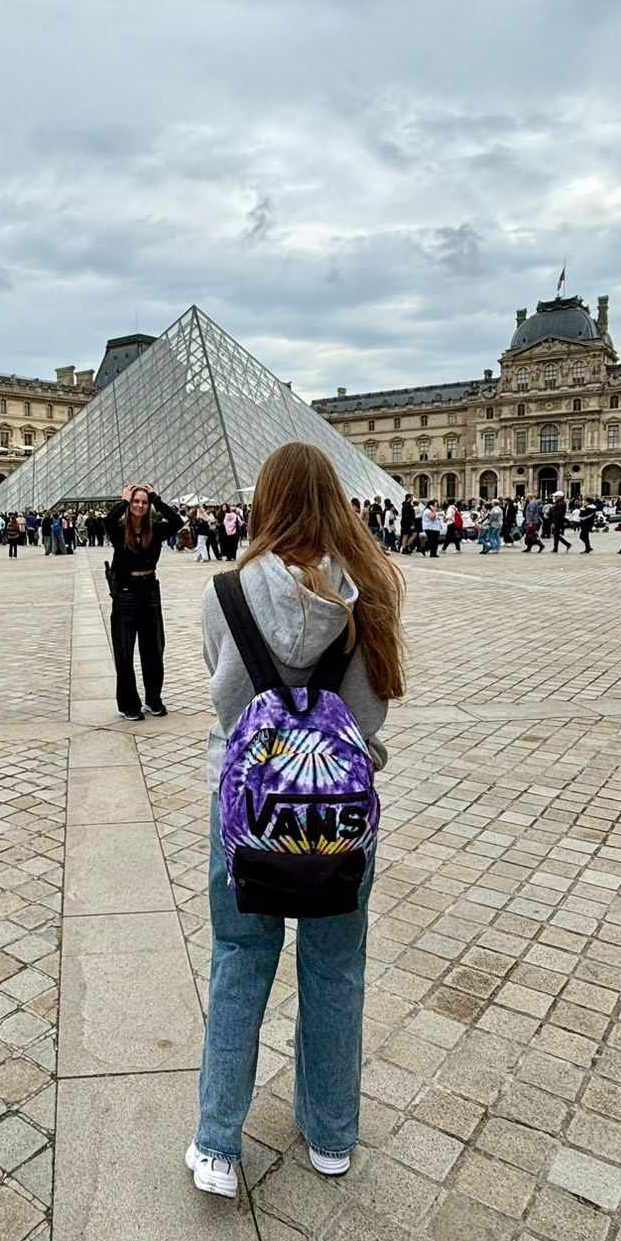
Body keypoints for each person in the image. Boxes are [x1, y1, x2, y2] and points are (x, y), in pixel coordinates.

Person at [187, 442, 402, 1199]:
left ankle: (218, 1144)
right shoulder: (370, 591)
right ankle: (332, 1135)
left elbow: (226, 704)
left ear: (264, 503)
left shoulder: (225, 592)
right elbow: (369, 714)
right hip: (338, 818)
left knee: (239, 958)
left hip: (246, 814)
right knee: (335, 968)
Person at [104, 482, 185, 720]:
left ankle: (153, 698)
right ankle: (129, 703)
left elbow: (177, 522)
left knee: (154, 648)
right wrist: (123, 501)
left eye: (144, 502)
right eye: (136, 501)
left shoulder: (156, 530)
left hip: (149, 591)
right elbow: (108, 521)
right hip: (126, 592)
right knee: (124, 650)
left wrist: (156, 498)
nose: (140, 505)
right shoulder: (119, 531)